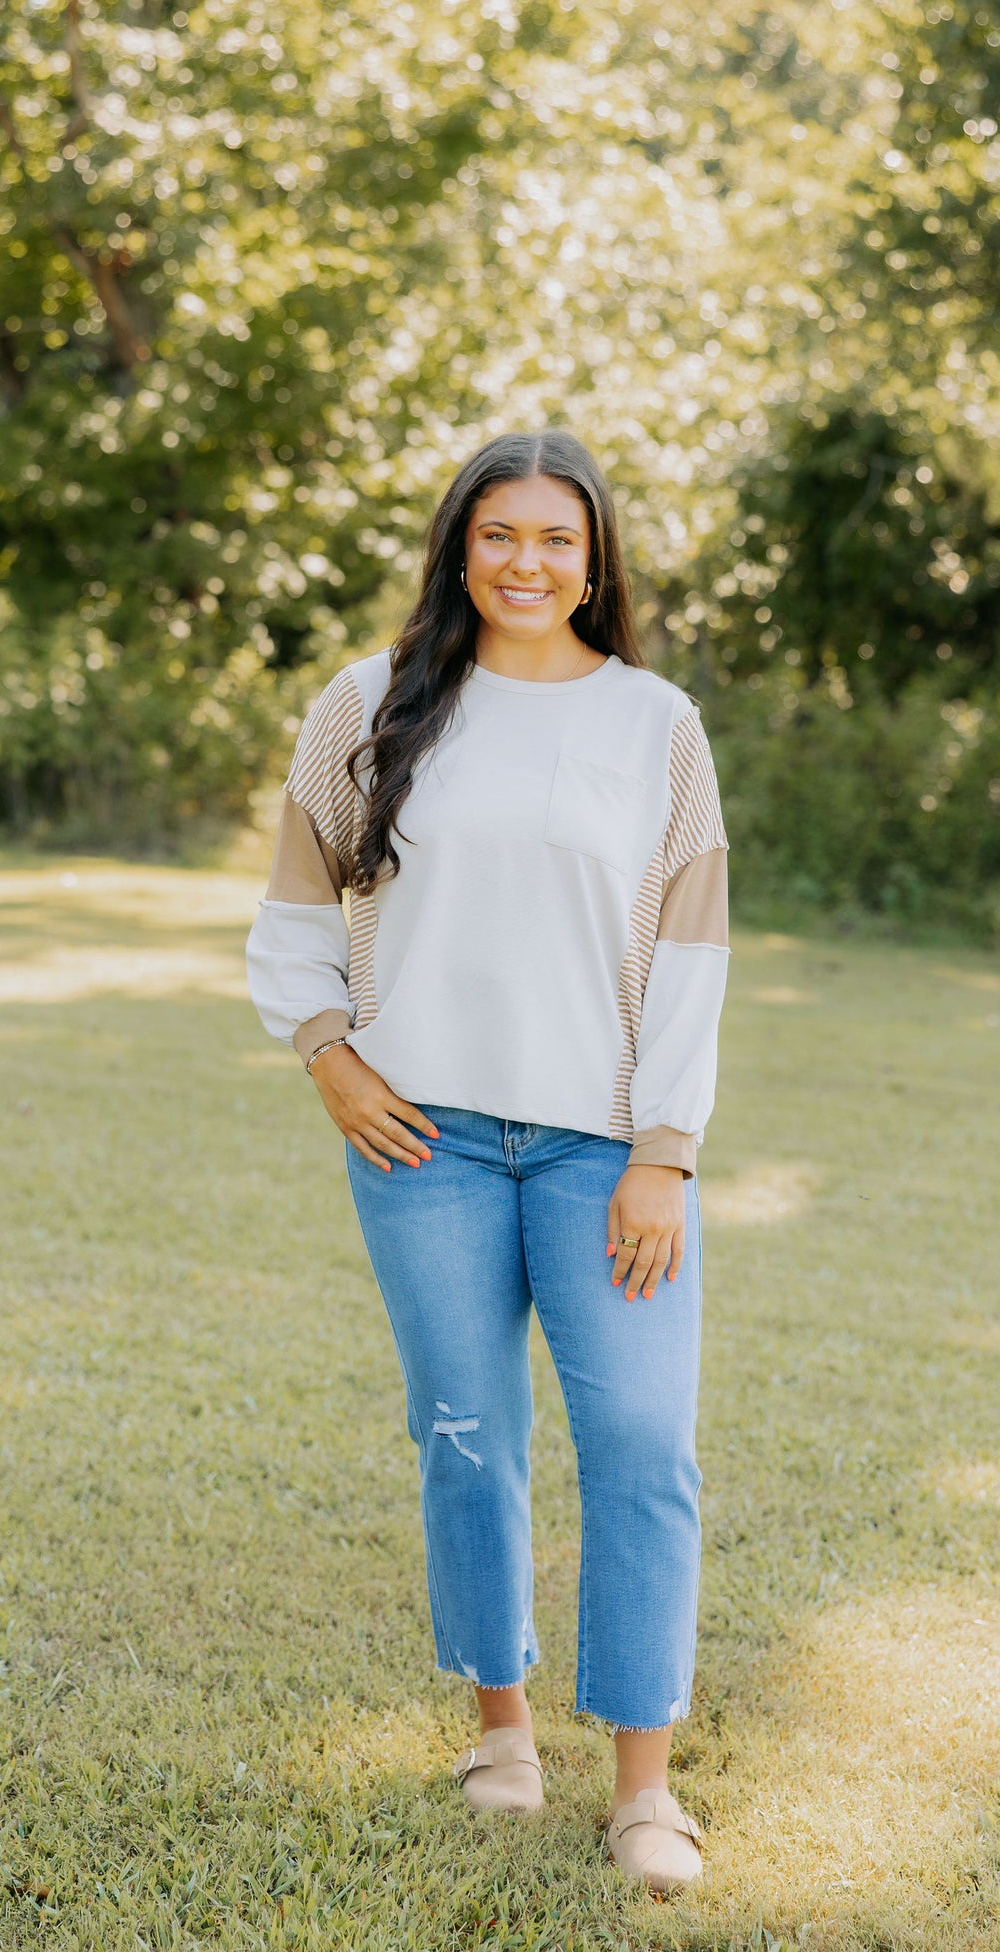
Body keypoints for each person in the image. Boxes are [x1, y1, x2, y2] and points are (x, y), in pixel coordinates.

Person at [246, 430, 729, 1892]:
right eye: (500, 534)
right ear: (460, 547)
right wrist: (328, 1054)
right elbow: (295, 911)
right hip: (424, 1140)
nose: (529, 562)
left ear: (596, 564)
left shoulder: (657, 725)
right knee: (465, 1435)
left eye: (558, 539)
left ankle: (645, 1790)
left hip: (604, 1150)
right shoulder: (369, 702)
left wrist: (664, 1150)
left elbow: (696, 957)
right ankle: (501, 1731)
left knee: (643, 1449)